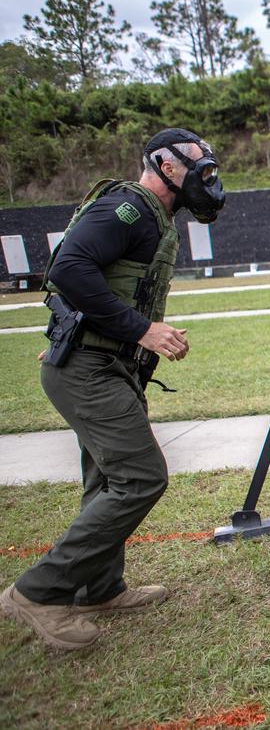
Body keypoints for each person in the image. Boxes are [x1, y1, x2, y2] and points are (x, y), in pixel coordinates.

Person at [0, 128, 226, 651]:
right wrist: (142, 330)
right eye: (196, 163)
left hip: (102, 364)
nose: (206, 175)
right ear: (166, 166)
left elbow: (98, 285)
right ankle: (38, 591)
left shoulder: (153, 217)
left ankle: (98, 588)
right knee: (140, 478)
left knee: (105, 482)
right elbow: (69, 269)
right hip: (89, 369)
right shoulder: (129, 208)